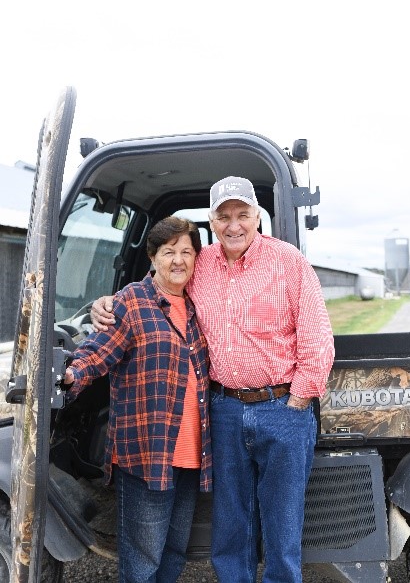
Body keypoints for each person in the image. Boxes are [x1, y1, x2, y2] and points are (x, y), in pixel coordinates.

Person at [91, 176, 334, 583]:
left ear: (257, 216)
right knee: (231, 523)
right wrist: (107, 304)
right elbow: (158, 287)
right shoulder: (200, 265)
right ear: (212, 220)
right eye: (224, 216)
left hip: (282, 410)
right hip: (223, 410)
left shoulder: (289, 262)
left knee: (283, 524)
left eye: (242, 214)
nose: (234, 224)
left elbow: (317, 340)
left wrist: (295, 403)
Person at [63, 216, 211, 583]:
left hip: (192, 453)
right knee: (143, 558)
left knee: (174, 551)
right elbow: (96, 352)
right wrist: (69, 376)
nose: (179, 260)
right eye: (168, 252)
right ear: (152, 257)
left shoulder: (197, 306)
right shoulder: (131, 302)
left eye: (186, 251)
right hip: (149, 453)